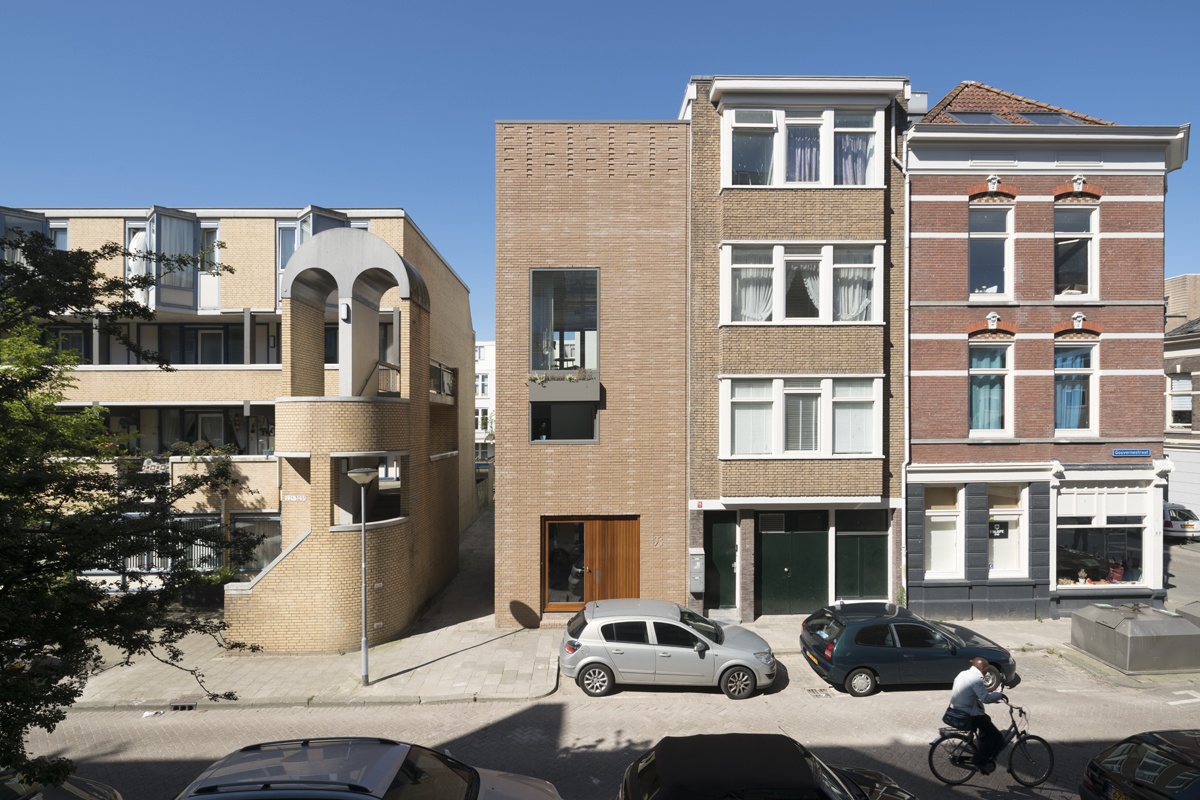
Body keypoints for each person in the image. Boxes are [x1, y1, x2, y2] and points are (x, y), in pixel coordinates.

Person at [948, 656, 1006, 774]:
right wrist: (999, 695)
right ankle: (979, 760)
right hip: (969, 714)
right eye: (986, 669)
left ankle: (982, 745)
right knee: (997, 737)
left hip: (957, 710)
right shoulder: (975, 678)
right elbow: (985, 698)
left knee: (986, 719)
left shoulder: (962, 674)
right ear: (982, 668)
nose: (986, 672)